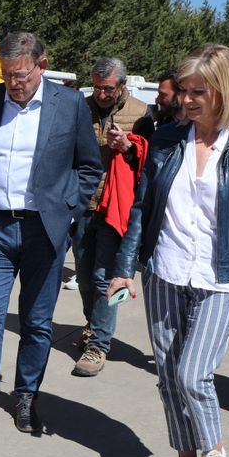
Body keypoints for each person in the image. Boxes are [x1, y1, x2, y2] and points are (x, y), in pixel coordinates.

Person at [108, 44, 229, 457]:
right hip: (165, 270)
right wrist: (125, 269)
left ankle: (214, 452)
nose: (186, 100)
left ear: (224, 90)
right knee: (167, 373)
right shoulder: (165, 140)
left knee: (193, 373)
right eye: (183, 91)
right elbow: (141, 209)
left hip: (222, 276)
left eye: (198, 91)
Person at [0, 30, 100, 439]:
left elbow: (89, 167)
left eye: (21, 74)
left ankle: (26, 394)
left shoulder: (70, 105)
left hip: (44, 231)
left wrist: (67, 212)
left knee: (37, 321)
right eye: (6, 74)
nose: (13, 83)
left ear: (42, 66)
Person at [70, 57, 151, 377]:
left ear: (122, 85)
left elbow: (150, 159)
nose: (101, 95)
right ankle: (94, 325)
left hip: (119, 207)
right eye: (97, 88)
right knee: (86, 276)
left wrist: (128, 147)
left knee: (108, 276)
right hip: (83, 203)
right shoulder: (80, 107)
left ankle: (100, 343)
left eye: (108, 89)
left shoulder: (142, 113)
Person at [133, 69, 183, 140]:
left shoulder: (194, 130)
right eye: (158, 94)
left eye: (163, 95)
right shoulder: (164, 125)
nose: (157, 100)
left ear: (180, 94)